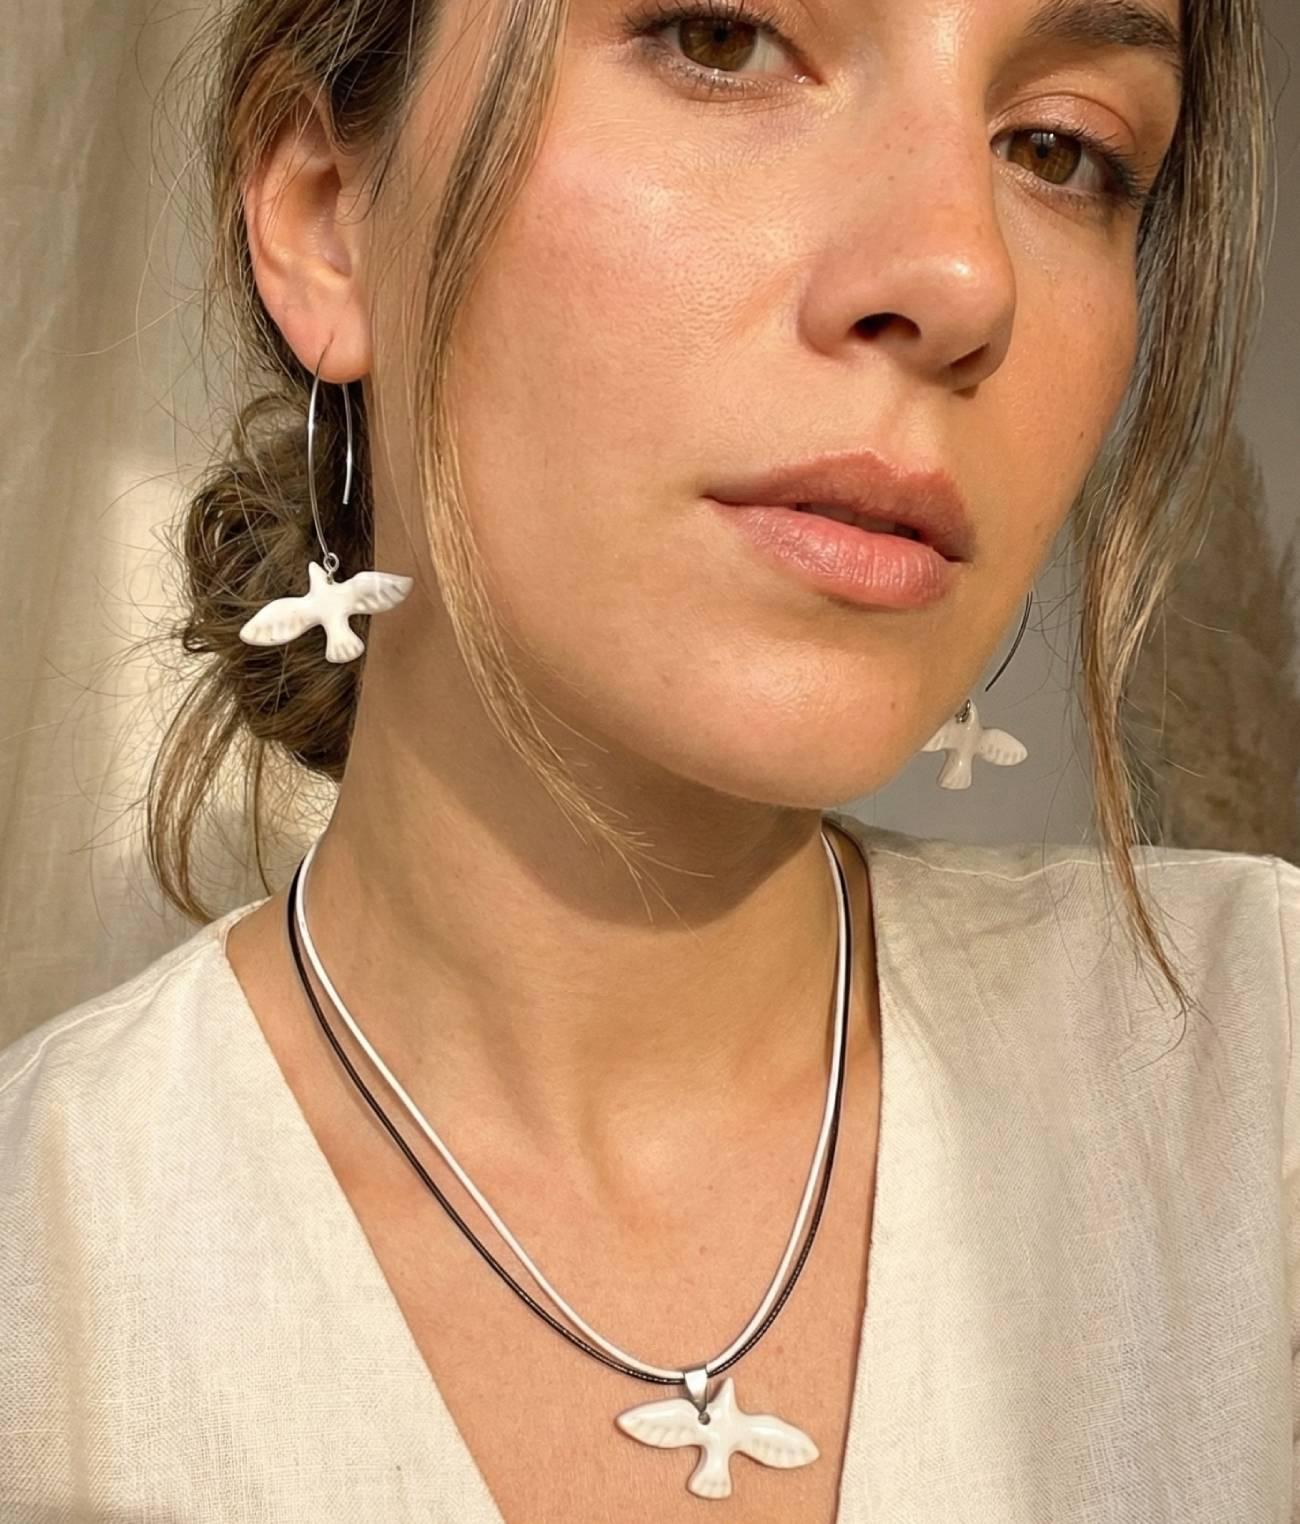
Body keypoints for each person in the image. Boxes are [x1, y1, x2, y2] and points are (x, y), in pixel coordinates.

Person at [2, 0, 1294, 1518]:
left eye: (1061, 150)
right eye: (724, 40)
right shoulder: (45, 1289)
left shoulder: (1260, 1079)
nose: (963, 278)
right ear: (329, 216)